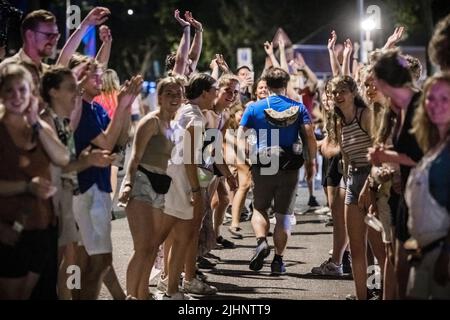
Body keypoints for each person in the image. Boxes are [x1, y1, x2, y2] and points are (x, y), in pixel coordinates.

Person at [68, 54, 142, 300]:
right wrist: (121, 106)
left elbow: (118, 141)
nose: (101, 78)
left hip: (96, 188)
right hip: (81, 191)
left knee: (98, 258)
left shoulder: (96, 107)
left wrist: (125, 105)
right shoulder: (80, 110)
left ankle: (118, 296)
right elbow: (107, 141)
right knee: (81, 260)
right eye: (94, 75)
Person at [0, 64, 69, 299]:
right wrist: (27, 187)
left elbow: (62, 157)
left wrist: (37, 124)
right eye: (9, 90)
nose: (16, 96)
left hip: (41, 226)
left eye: (22, 90)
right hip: (8, 228)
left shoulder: (38, 126)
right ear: (1, 94)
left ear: (31, 93)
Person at [239, 67, 316, 275]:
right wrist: (311, 164)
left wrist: (246, 158)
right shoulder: (299, 108)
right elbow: (309, 137)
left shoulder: (254, 108)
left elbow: (241, 136)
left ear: (266, 83)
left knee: (259, 208)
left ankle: (261, 241)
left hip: (263, 162)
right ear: (286, 84)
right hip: (289, 165)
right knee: (283, 216)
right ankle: (278, 261)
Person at [118, 76, 184, 300]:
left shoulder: (173, 125)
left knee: (153, 245)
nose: (174, 98)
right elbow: (134, 157)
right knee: (142, 245)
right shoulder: (151, 121)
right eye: (169, 94)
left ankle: (142, 292)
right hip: (142, 183)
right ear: (160, 97)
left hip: (161, 187)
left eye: (178, 94)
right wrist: (127, 183)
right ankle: (131, 295)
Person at [369, 48, 424, 299]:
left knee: (417, 273)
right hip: (408, 195)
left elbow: (426, 156)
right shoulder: (398, 108)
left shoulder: (422, 106)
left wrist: (387, 157)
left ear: (384, 81)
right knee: (400, 267)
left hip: (428, 198)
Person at [159, 73, 218, 299]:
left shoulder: (184, 111)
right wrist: (195, 190)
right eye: (213, 90)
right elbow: (191, 158)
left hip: (171, 177)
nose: (216, 95)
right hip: (183, 181)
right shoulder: (196, 118)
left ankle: (169, 281)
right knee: (188, 234)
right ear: (204, 93)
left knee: (174, 236)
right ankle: (185, 281)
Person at [405, 73, 450, 299]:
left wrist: (446, 256)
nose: (436, 105)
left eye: (445, 99)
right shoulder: (433, 146)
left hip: (442, 259)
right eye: (431, 98)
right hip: (424, 256)